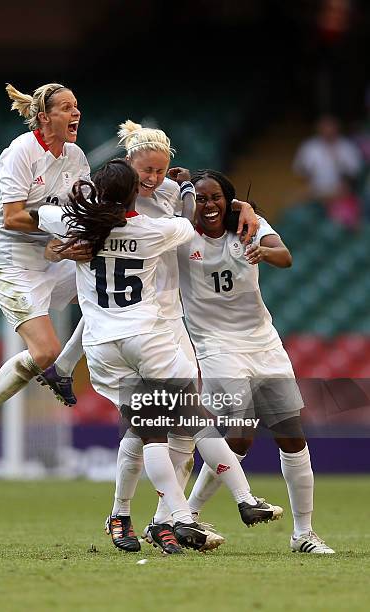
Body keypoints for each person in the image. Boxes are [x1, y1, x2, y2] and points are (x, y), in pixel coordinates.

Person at [39, 159, 283, 555]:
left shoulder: (75, 224)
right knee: (193, 419)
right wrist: (191, 192)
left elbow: (37, 213)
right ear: (135, 191)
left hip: (102, 347)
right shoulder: (152, 229)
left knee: (148, 433)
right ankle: (237, 499)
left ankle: (160, 516)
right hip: (148, 340)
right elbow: (189, 223)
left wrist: (63, 234)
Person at [180, 170, 334, 554]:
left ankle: (303, 534)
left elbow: (285, 256)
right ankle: (189, 514)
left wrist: (263, 250)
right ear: (189, 203)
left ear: (227, 199)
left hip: (263, 342)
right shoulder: (179, 236)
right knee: (241, 431)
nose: (209, 204)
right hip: (214, 345)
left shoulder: (249, 226)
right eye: (201, 198)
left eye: (216, 197)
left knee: (292, 435)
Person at [0, 82, 91, 465]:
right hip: (10, 261)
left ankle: (61, 368)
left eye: (76, 107)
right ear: (44, 118)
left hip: (50, 256)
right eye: (66, 108)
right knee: (43, 351)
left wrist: (76, 240)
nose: (76, 114)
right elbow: (12, 217)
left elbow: (78, 214)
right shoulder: (21, 152)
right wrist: (57, 234)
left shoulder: (76, 158)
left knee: (105, 281)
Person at [292, 115, 362, 207]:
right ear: (319, 129)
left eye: (331, 128)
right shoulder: (309, 146)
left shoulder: (347, 147)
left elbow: (356, 171)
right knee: (293, 203)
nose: (328, 131)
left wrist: (340, 164)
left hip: (340, 191)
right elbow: (298, 170)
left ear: (337, 129)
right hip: (314, 190)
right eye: (325, 128)